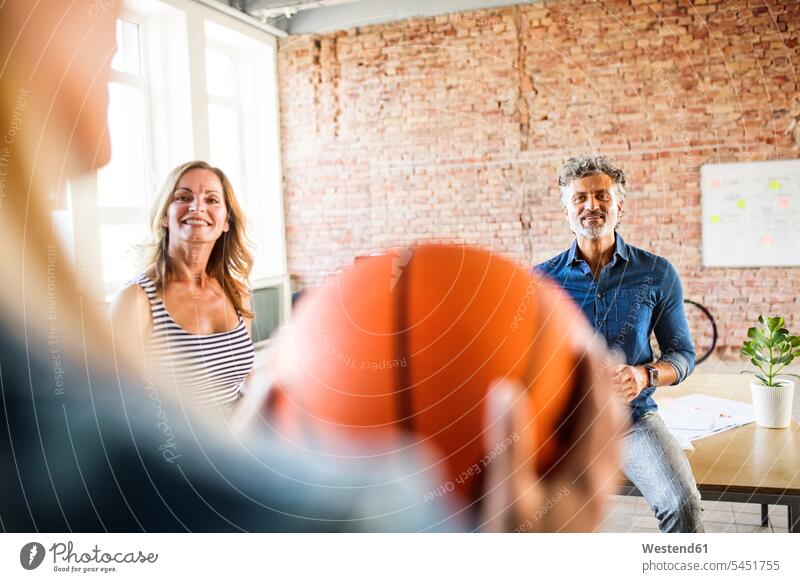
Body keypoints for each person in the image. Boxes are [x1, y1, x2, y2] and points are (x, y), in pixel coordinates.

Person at [535, 154, 703, 533]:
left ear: (619, 207)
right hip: (562, 424)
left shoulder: (657, 273)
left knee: (682, 504)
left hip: (633, 421)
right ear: (566, 210)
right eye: (579, 198)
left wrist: (644, 376)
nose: (591, 206)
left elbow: (683, 355)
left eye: (602, 196)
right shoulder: (541, 282)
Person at [110, 161, 255, 412]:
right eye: (183, 197)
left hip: (240, 443)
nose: (197, 206)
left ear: (226, 222)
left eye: (211, 200)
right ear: (165, 216)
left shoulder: (237, 293)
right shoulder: (136, 300)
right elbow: (113, 402)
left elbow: (242, 378)